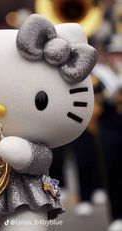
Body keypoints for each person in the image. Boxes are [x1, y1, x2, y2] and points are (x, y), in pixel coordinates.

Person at [93, 34, 122, 231]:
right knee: (113, 170)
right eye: (113, 54)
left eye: (120, 54)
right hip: (109, 126)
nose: (117, 58)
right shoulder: (99, 75)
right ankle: (117, 215)